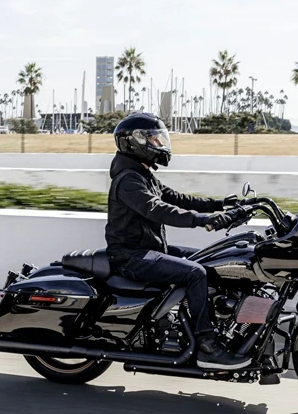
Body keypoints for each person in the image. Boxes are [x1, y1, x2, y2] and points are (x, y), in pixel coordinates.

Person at [104, 113, 253, 371]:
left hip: (150, 249)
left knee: (210, 260)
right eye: (154, 139)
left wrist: (220, 205)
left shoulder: (142, 174)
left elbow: (177, 198)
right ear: (136, 141)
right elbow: (157, 209)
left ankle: (215, 327)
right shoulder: (128, 180)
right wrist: (203, 220)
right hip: (130, 256)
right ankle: (207, 346)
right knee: (195, 273)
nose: (160, 144)